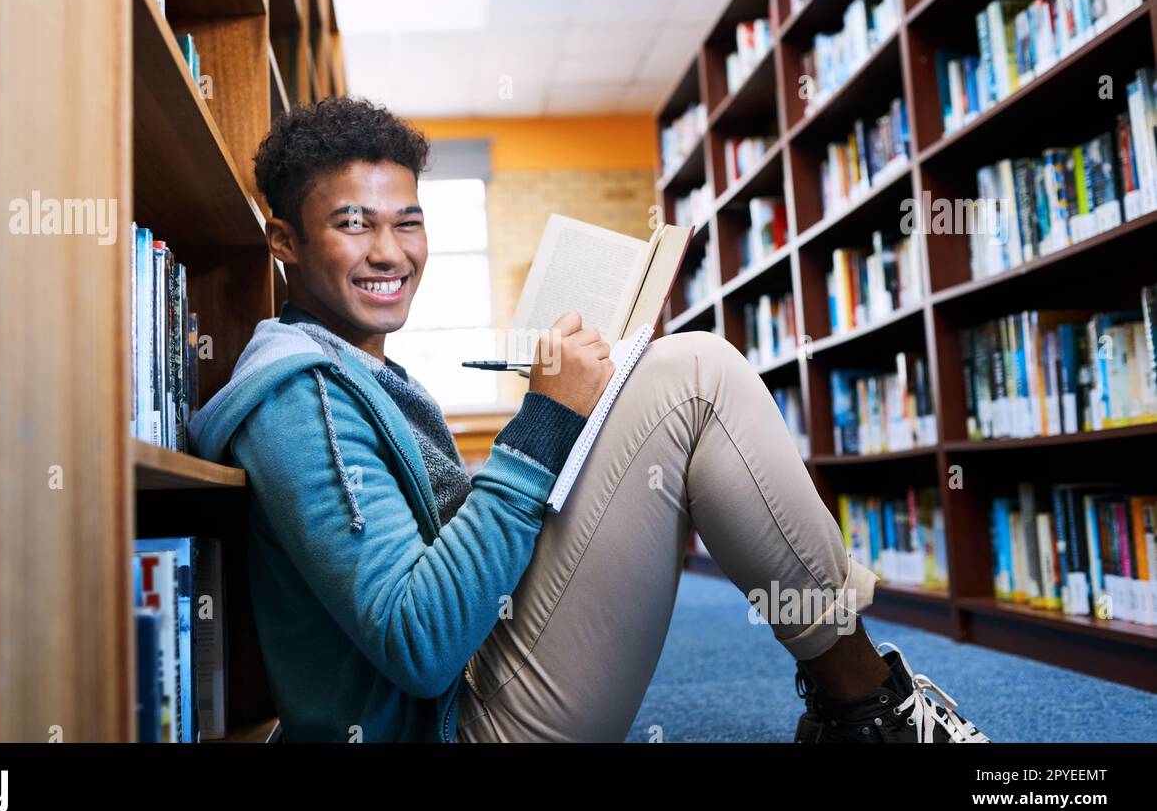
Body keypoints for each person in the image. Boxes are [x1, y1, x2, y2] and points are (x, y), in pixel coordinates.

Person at [187, 97, 990, 744]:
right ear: (284, 241)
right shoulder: (303, 401)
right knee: (696, 376)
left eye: (409, 221)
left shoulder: (356, 368)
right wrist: (543, 426)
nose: (391, 251)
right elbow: (421, 641)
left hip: (472, 676)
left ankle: (852, 701)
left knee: (674, 378)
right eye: (353, 223)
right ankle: (873, 716)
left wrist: (580, 426)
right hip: (450, 720)